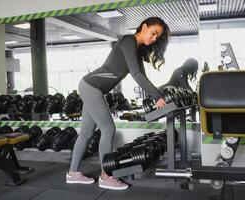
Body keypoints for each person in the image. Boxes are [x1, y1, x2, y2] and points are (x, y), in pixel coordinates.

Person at [66, 17, 170, 190]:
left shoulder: (136, 50)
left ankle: (72, 173)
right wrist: (158, 97)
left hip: (90, 87)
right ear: (143, 27)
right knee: (108, 130)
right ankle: (106, 176)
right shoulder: (128, 41)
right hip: (91, 87)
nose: (154, 39)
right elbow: (136, 75)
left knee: (86, 133)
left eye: (157, 37)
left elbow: (142, 77)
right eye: (153, 33)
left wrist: (159, 94)